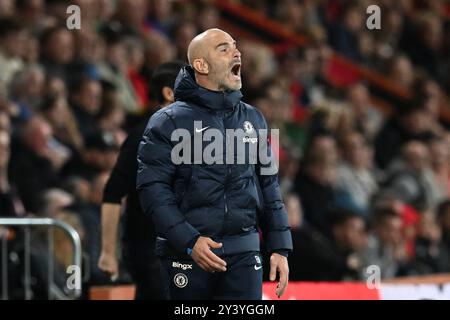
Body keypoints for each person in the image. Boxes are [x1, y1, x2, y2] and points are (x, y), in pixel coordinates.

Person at [137, 29, 292, 300]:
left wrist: (279, 247)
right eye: (224, 49)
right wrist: (189, 241)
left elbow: (269, 186)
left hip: (244, 252)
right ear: (201, 65)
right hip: (187, 254)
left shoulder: (254, 119)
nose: (237, 52)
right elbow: (152, 190)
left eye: (235, 46)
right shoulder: (167, 121)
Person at [98, 61, 185, 300]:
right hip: (147, 249)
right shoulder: (142, 137)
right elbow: (113, 192)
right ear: (169, 93)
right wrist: (108, 252)